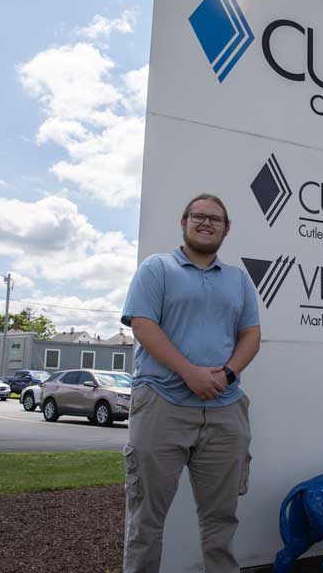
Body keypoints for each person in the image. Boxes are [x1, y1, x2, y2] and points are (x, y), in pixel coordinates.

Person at [121, 193, 261, 573]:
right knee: (146, 519)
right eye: (197, 216)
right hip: (162, 404)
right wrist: (190, 372)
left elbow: (251, 335)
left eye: (215, 218)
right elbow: (142, 325)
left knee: (222, 520)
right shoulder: (157, 269)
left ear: (226, 229)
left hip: (224, 409)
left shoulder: (238, 279)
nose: (206, 222)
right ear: (183, 222)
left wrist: (227, 374)